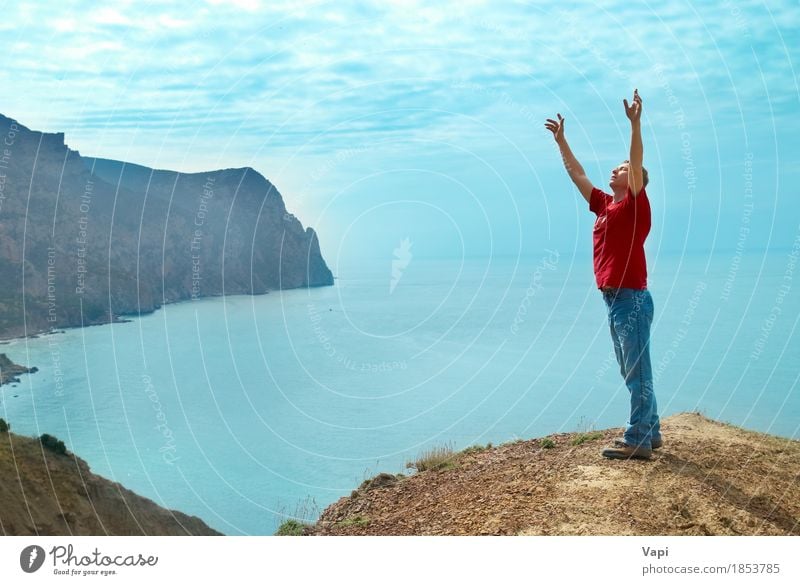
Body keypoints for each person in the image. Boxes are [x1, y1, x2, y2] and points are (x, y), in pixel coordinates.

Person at [544, 89, 661, 460]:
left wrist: (636, 124)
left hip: (631, 298)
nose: (615, 170)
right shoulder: (604, 206)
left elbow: (638, 158)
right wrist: (562, 142)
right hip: (615, 300)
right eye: (616, 167)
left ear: (636, 179)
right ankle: (651, 430)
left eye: (622, 168)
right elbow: (577, 173)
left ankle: (639, 437)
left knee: (636, 369)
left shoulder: (635, 205)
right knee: (633, 367)